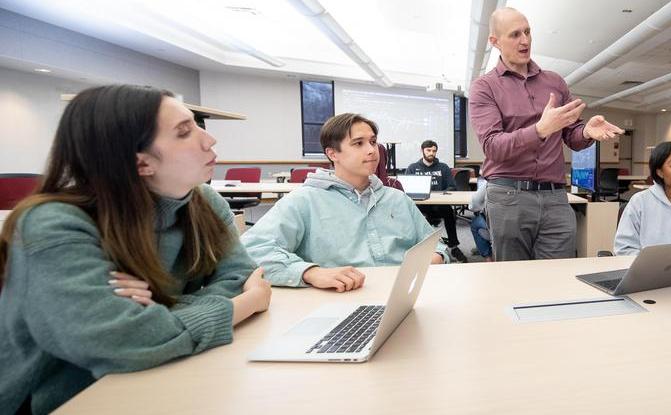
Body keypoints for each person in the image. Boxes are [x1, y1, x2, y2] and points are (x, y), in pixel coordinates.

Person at [0, 84, 271, 414]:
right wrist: (249, 302)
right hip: (62, 400)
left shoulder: (204, 203)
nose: (209, 140)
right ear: (140, 162)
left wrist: (156, 308)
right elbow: (119, 341)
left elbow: (239, 276)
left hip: (161, 377)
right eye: (184, 132)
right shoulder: (52, 224)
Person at [469, 7, 624, 261]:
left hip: (555, 197)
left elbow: (571, 135)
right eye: (515, 34)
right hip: (509, 197)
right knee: (513, 278)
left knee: (555, 277)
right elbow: (493, 146)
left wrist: (585, 130)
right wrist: (540, 130)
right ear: (495, 42)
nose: (525, 40)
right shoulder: (484, 87)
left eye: (528, 32)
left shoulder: (555, 82)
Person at [242, 113, 449, 292]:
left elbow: (435, 245)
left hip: (403, 296)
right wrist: (310, 272)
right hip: (343, 299)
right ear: (332, 154)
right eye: (359, 143)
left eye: (373, 141)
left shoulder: (396, 198)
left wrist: (437, 256)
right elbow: (251, 251)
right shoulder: (305, 201)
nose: (371, 150)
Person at [406, 140, 466, 262]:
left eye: (434, 151)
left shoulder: (443, 167)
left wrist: (441, 193)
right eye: (428, 150)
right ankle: (412, 246)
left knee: (448, 212)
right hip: (420, 205)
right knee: (409, 213)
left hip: (439, 204)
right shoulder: (413, 168)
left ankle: (453, 246)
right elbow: (406, 188)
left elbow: (452, 186)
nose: (431, 153)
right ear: (422, 150)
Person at [468, 177, 493, 260]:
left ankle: (488, 257)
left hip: (497, 225)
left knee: (475, 223)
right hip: (523, 225)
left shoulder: (490, 182)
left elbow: (474, 204)